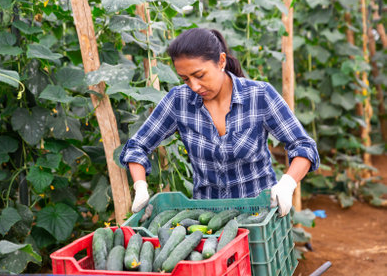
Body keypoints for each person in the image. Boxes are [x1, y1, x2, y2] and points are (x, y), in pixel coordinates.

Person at [119, 28, 319, 217]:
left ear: (221, 61)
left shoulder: (259, 95)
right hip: (207, 217)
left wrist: (287, 183)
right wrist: (140, 186)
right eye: (185, 79)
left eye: (199, 75)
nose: (194, 86)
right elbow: (137, 146)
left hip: (259, 214)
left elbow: (303, 146)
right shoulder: (179, 101)